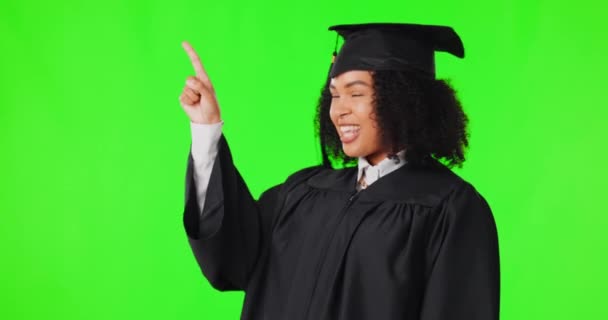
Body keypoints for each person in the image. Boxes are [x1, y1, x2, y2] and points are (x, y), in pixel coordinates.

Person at [178, 23, 500, 320]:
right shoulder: (302, 193)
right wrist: (206, 130)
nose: (339, 109)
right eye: (334, 94)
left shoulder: (450, 210)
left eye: (356, 93)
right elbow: (230, 259)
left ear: (402, 99)